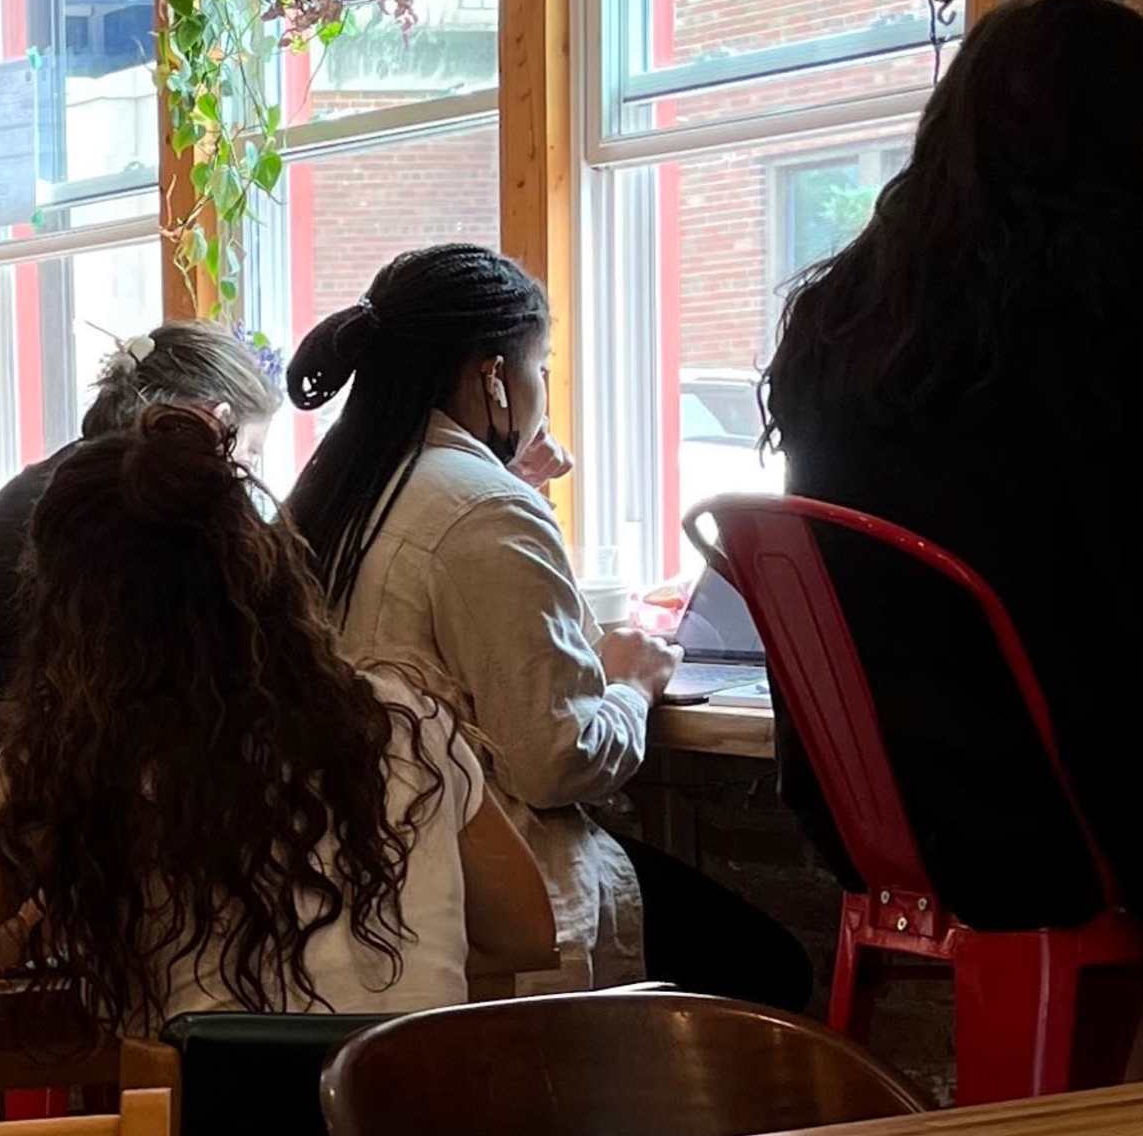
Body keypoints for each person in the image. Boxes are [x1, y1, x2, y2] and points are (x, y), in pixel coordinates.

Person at [765, 0, 1143, 1008]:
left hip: (903, 800)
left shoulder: (842, 317)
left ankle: (1126, 1116)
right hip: (1084, 806)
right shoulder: (1111, 299)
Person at [0, 409, 555, 1031]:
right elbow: (524, 932)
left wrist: (28, 926)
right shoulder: (404, 720)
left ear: (69, 611)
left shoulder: (76, 761)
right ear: (265, 568)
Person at [282, 241, 805, 1001]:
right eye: (543, 369)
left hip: (345, 881)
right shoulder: (484, 509)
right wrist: (632, 685)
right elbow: (555, 761)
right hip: (484, 890)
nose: (546, 394)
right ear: (493, 376)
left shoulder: (329, 493)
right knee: (766, 968)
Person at [0, 316, 281, 754]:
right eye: (249, 454)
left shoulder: (70, 478)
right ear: (217, 421)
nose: (245, 476)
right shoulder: (119, 502)